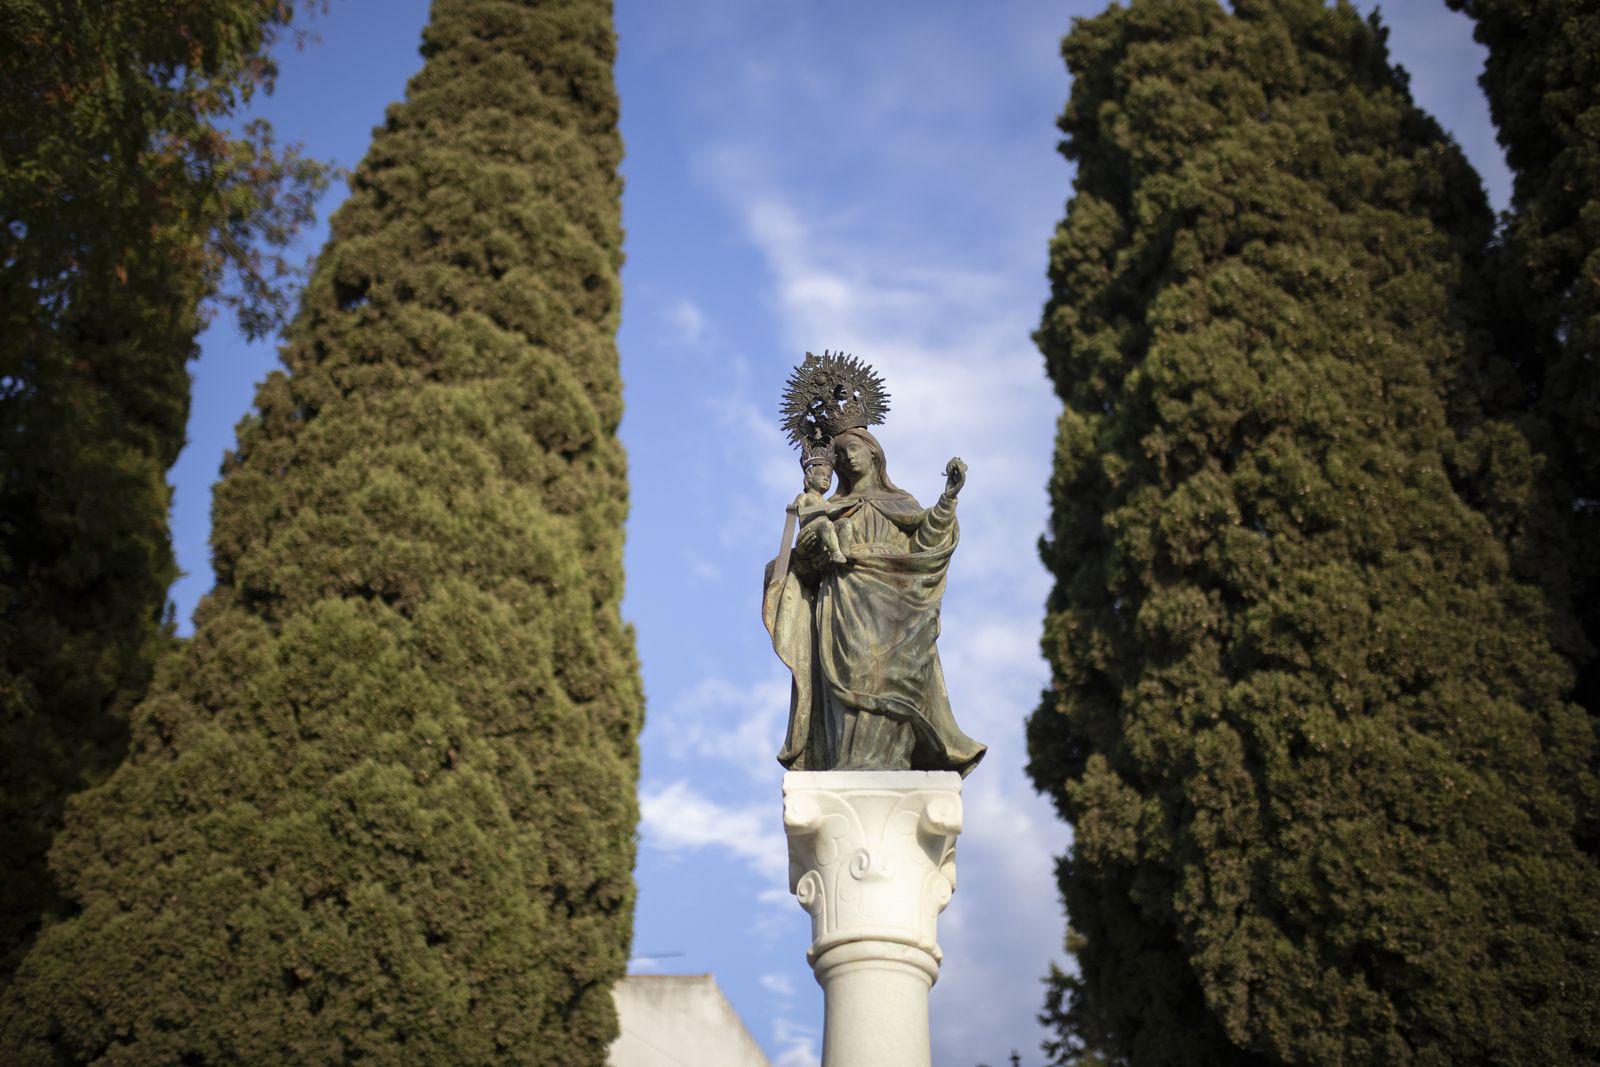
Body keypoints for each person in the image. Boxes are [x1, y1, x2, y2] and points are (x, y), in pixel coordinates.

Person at [763, 426, 986, 775]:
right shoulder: (829, 506)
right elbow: (801, 564)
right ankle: (847, 760)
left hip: (896, 604)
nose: (848, 457)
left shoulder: (901, 503)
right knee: (853, 670)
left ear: (874, 453)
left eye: (854, 448)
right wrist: (810, 552)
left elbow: (927, 543)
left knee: (895, 677)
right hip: (843, 597)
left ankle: (893, 761)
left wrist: (948, 498)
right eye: (840, 454)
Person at [794, 453, 847, 565]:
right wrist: (795, 508)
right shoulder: (805, 497)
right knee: (825, 524)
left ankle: (846, 552)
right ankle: (836, 553)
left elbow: (834, 513)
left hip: (824, 530)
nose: (826, 479)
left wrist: (851, 507)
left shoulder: (826, 502)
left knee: (844, 523)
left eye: (829, 477)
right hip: (808, 532)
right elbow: (794, 510)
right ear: (810, 477)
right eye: (822, 475)